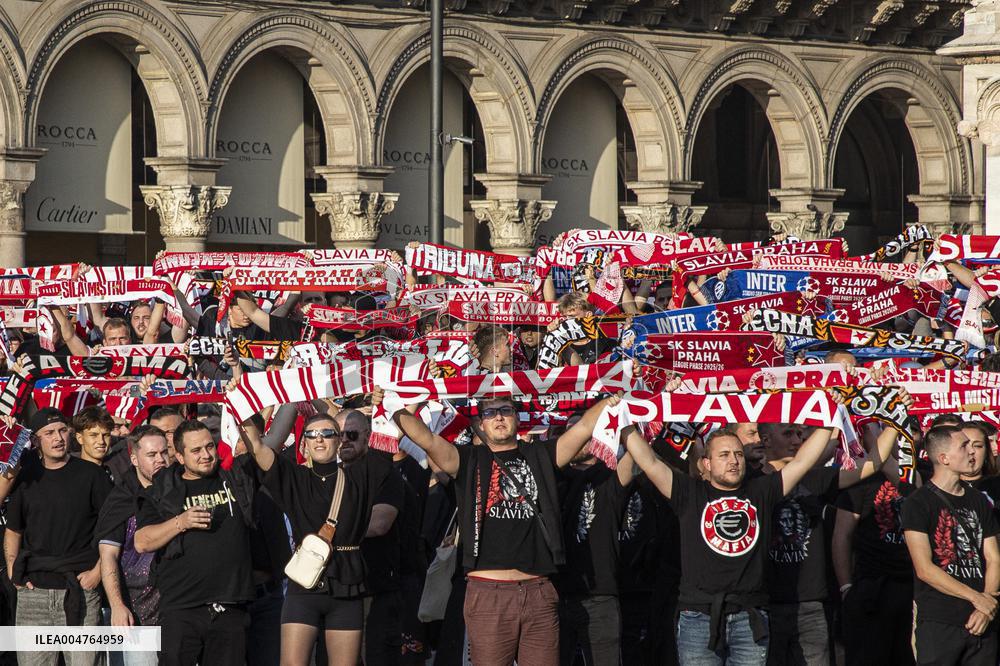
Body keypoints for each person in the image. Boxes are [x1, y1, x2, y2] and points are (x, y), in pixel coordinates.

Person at [384, 388, 621, 665]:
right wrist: (394, 405)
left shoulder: (541, 454)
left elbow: (583, 428)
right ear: (480, 423)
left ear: (517, 418)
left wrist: (609, 399)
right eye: (490, 412)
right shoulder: (468, 458)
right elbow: (424, 437)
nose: (498, 417)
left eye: (505, 410)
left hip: (539, 592)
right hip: (488, 593)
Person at [622, 422, 838, 665]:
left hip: (750, 617)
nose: (733, 461)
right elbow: (650, 462)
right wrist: (622, 420)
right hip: (697, 617)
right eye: (723, 455)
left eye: (737, 454)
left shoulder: (761, 490)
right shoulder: (688, 493)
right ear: (707, 463)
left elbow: (803, 461)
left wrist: (830, 417)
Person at [238, 410, 393, 666]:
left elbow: (378, 440)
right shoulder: (295, 477)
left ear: (339, 439)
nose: (319, 439)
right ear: (304, 443)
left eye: (327, 433)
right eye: (311, 435)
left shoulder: (360, 475)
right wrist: (241, 403)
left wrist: (382, 405)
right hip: (304, 586)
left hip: (348, 585)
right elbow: (256, 446)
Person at [762, 420, 904, 666]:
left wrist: (892, 420)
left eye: (799, 433)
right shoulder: (747, 483)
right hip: (763, 604)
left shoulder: (814, 478)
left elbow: (872, 465)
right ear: (765, 440)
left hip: (812, 603)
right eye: (788, 434)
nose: (797, 441)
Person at [134, 419, 257, 666]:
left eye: (209, 447)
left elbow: (262, 444)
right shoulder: (162, 489)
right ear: (179, 456)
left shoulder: (233, 475)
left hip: (230, 606)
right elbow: (142, 542)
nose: (206, 455)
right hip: (181, 609)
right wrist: (181, 522)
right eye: (196, 450)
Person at [4, 408, 113, 666]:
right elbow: (13, 530)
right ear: (37, 440)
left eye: (63, 430)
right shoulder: (25, 479)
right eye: (49, 433)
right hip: (34, 595)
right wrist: (12, 569)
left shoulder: (92, 475)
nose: (58, 438)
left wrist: (99, 571)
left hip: (80, 590)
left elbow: (112, 528)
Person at [903, 425, 1000, 665]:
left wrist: (986, 605)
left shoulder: (978, 500)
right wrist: (977, 599)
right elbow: (924, 568)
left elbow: (994, 557)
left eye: (973, 445)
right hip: (940, 620)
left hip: (983, 622)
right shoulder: (918, 502)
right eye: (964, 446)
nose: (972, 452)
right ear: (943, 458)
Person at [95, 425, 172, 666]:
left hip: (179, 608)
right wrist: (117, 606)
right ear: (134, 458)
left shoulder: (180, 490)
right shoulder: (122, 498)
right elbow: (108, 555)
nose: (160, 460)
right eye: (151, 455)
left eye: (164, 453)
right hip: (137, 611)